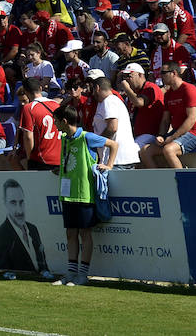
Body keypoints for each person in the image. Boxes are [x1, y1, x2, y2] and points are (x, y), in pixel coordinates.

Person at [52, 104, 117, 287]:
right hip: (67, 195)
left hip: (84, 194)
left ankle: (83, 275)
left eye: (56, 121)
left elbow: (113, 144)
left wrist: (109, 165)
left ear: (64, 121)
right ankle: (70, 273)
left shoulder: (86, 137)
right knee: (70, 234)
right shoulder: (65, 138)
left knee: (85, 234)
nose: (55, 124)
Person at [139, 63, 196, 168]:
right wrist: (161, 136)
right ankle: (159, 179)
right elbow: (165, 120)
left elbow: (191, 119)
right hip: (177, 132)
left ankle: (183, 180)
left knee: (169, 150)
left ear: (174, 73)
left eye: (163, 73)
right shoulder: (168, 94)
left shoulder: (189, 90)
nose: (160, 76)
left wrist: (172, 137)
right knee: (145, 151)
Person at [0, 178, 51, 277]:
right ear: (5, 203)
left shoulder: (33, 229)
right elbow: (2, 269)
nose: (19, 210)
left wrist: (45, 273)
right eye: (13, 203)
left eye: (21, 202)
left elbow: (43, 263)